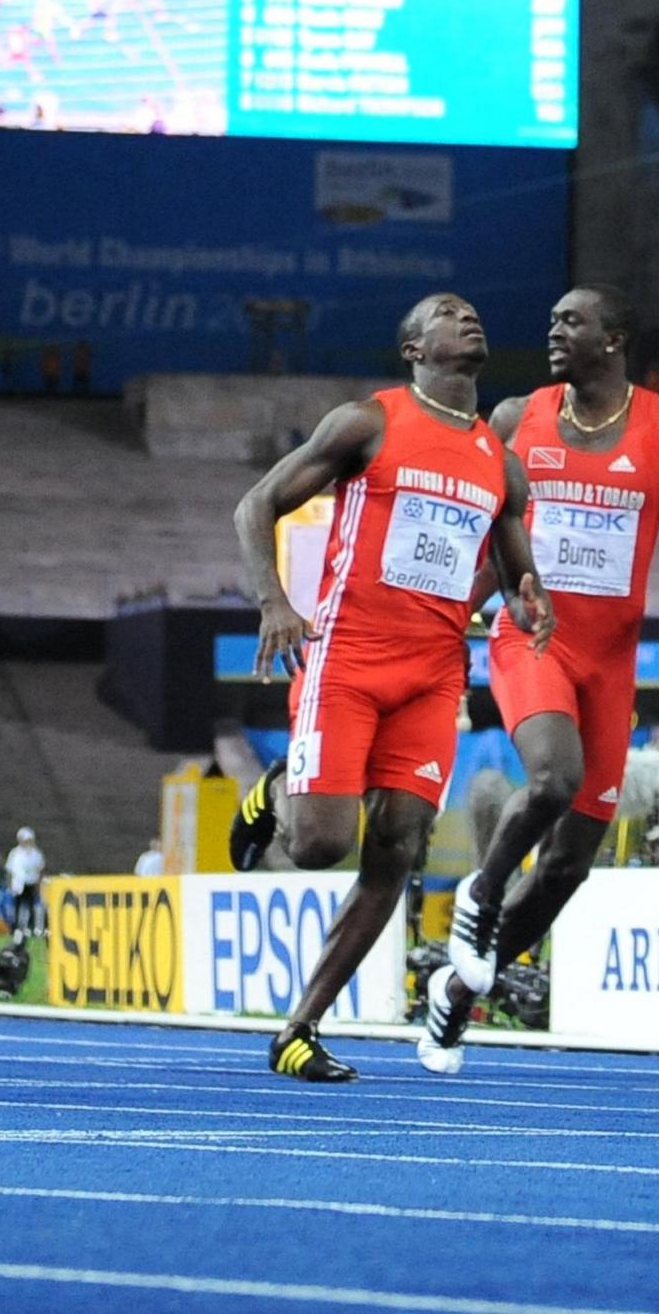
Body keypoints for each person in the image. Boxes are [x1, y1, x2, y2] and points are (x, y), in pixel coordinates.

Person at [225, 292, 548, 1082]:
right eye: (447, 312)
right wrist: (273, 599)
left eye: (475, 311)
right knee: (318, 846)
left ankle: (299, 1028)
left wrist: (528, 594)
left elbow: (512, 564)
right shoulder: (368, 423)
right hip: (348, 655)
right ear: (413, 346)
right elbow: (256, 503)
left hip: (436, 673)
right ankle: (277, 788)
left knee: (396, 848)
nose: (468, 317)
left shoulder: (499, 464)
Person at [424, 286, 659, 1074]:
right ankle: (480, 896)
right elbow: (490, 546)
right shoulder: (514, 420)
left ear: (614, 337)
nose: (553, 330)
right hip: (534, 641)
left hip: (611, 662)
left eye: (571, 321)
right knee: (553, 780)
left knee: (567, 866)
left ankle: (457, 992)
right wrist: (448, 623)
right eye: (551, 318)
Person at [2, 826, 46, 933]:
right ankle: (16, 928)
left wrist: (39, 885)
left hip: (31, 883)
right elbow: (10, 870)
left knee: (31, 906)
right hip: (18, 884)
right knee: (17, 906)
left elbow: (40, 870)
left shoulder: (36, 854)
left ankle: (31, 928)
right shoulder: (14, 853)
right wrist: (10, 884)